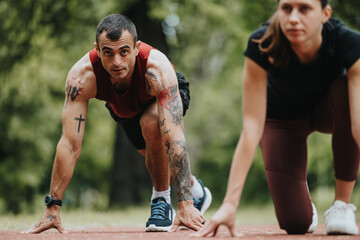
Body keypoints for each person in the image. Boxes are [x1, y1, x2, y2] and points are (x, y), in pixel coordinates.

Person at [25, 14, 212, 234]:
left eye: (124, 51)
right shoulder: (81, 77)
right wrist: (53, 206)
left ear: (136, 47)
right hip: (124, 110)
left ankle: (161, 202)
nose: (116, 62)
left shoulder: (157, 68)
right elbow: (69, 144)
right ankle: (197, 190)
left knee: (152, 124)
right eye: (108, 53)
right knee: (155, 159)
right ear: (97, 49)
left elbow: (174, 136)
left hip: (163, 97)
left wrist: (185, 205)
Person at [193, 0, 360, 237]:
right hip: (282, 120)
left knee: (344, 88)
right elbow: (251, 128)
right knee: (296, 223)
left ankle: (342, 205)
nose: (293, 17)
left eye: (304, 9)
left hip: (329, 111)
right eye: (286, 8)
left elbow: (359, 127)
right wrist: (230, 203)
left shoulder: (348, 42)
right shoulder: (262, 44)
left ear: (325, 14)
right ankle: (301, 200)